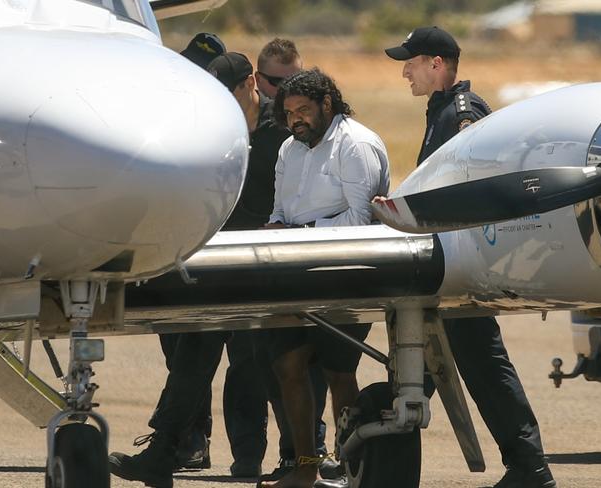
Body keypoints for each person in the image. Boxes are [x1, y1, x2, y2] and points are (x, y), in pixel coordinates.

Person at [383, 26, 556, 488]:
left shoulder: (462, 115)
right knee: (430, 360)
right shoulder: (441, 111)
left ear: (436, 64)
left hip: (466, 263)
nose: (405, 71)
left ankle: (529, 468)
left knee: (477, 364)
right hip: (449, 261)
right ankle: (376, 447)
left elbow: (474, 189)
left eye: (411, 61)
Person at [109, 52, 281, 488]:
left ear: (251, 84)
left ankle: (254, 459)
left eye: (228, 92)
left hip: (264, 266)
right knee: (191, 364)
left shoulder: (281, 136)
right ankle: (164, 451)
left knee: (252, 368)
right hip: (215, 266)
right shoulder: (209, 136)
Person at [260, 68, 390, 488]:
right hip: (294, 272)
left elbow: (361, 218)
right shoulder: (288, 150)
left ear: (327, 104)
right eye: (289, 112)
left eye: (303, 110)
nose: (296, 119)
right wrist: (276, 228)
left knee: (339, 372)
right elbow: (281, 210)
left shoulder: (356, 144)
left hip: (344, 271)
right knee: (287, 364)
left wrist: (299, 233)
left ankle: (350, 468)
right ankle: (305, 466)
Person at [154, 31, 227, 472]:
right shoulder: (169, 112)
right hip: (171, 248)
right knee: (176, 354)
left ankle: (190, 437)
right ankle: (192, 438)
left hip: (212, 254)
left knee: (194, 357)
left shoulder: (220, 119)